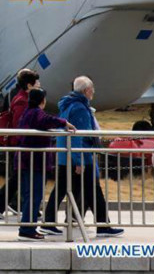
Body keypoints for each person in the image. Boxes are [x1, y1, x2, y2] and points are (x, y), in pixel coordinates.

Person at [41, 76, 124, 238]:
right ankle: (102, 226)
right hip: (80, 158)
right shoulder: (79, 108)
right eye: (92, 89)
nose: (94, 92)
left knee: (64, 190)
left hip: (67, 156)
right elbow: (79, 136)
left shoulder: (68, 104)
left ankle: (49, 222)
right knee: (93, 191)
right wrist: (79, 161)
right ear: (86, 90)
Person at [15, 89, 75, 241]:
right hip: (34, 162)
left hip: (28, 161)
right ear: (42, 100)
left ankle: (27, 227)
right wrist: (64, 123)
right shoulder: (36, 113)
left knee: (31, 195)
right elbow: (46, 120)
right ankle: (27, 229)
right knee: (35, 196)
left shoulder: (28, 112)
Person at [0, 69, 40, 219]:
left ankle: (18, 206)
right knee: (19, 177)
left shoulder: (20, 97)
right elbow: (21, 124)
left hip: (19, 144)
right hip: (20, 145)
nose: (40, 84)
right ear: (29, 85)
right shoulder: (23, 101)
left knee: (20, 177)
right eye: (37, 82)